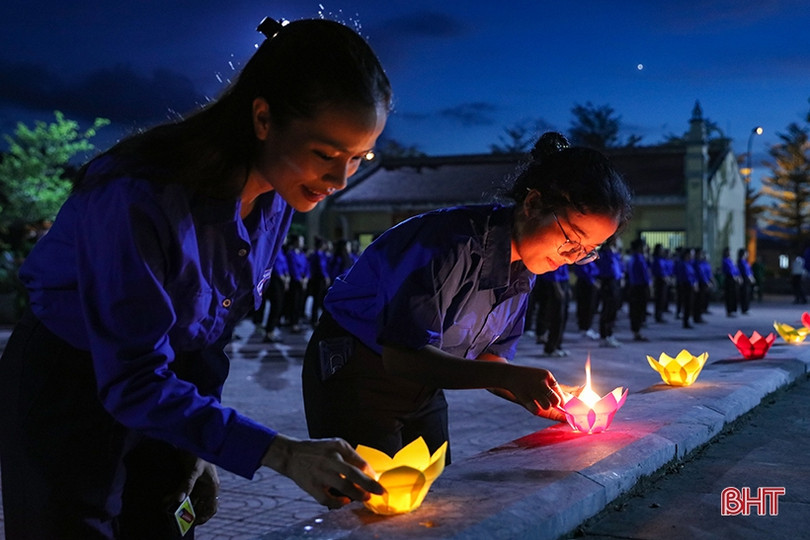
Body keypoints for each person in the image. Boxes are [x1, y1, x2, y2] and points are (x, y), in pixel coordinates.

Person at [0, 16, 392, 539]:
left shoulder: (278, 197)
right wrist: (279, 453)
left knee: (165, 523)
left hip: (170, 386)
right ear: (262, 118)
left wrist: (197, 445)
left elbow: (209, 336)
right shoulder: (136, 194)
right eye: (325, 154)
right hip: (73, 381)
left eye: (358, 158)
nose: (340, 181)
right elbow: (132, 377)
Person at [302, 132, 633, 462]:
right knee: (370, 497)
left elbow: (487, 359)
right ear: (532, 204)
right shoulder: (450, 243)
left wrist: (542, 394)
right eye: (572, 239)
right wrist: (508, 377)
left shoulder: (523, 271)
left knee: (438, 493)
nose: (573, 257)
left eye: (588, 251)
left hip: (424, 382)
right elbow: (402, 355)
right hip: (355, 372)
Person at [597, 236, 624, 347]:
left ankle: (610, 333)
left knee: (613, 308)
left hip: (615, 282)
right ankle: (604, 336)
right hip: (607, 282)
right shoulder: (604, 253)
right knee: (607, 309)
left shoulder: (615, 254)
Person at [626, 238, 650, 341]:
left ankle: (636, 331)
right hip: (640, 287)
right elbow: (644, 274)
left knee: (634, 310)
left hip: (633, 286)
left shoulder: (632, 259)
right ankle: (637, 332)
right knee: (639, 310)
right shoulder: (640, 259)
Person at [721, 246, 740, 317]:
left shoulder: (730, 260)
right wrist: (734, 276)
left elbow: (735, 269)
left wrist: (737, 276)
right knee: (729, 295)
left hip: (734, 279)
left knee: (734, 295)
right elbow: (729, 270)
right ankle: (729, 310)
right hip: (729, 278)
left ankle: (733, 310)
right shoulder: (725, 260)